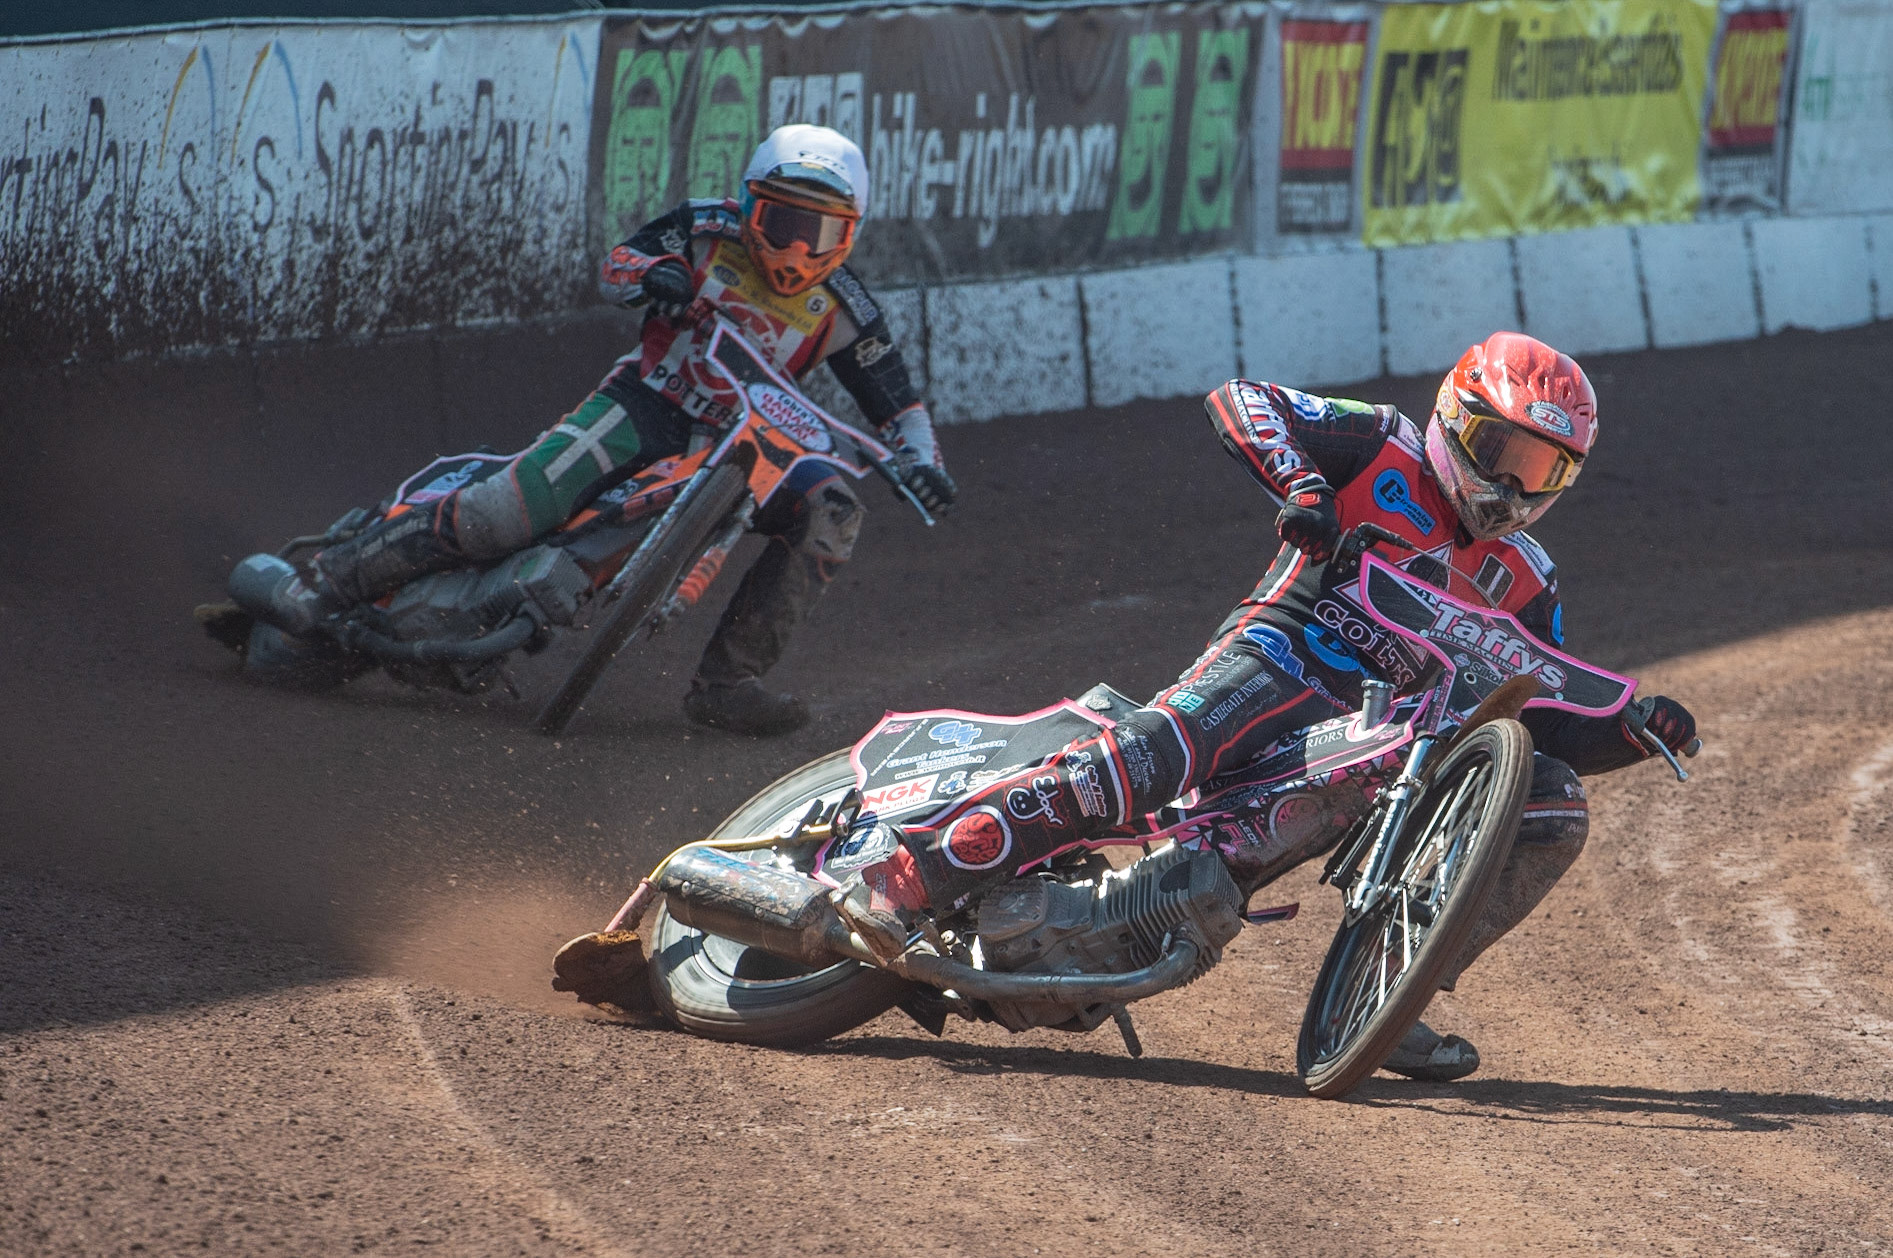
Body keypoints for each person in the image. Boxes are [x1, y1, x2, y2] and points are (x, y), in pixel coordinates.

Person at [854, 331, 1697, 1081]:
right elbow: (1243, 400)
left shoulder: (1529, 578)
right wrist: (1303, 487)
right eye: (1498, 448)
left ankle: (1395, 986)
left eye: (1541, 469)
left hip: (1381, 748)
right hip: (1284, 650)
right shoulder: (1382, 444)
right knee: (1158, 755)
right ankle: (913, 872)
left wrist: (1629, 726)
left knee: (1551, 803)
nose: (1512, 483)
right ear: (1451, 416)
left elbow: (1528, 707)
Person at [238, 125, 954, 736]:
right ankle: (323, 589)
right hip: (644, 400)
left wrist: (921, 460)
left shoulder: (848, 308)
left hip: (747, 444)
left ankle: (727, 686)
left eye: (820, 232)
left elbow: (896, 401)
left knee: (832, 510)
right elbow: (620, 264)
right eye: (782, 222)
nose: (798, 250)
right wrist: (658, 276)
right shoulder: (704, 230)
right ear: (747, 206)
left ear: (849, 235)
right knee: (502, 513)